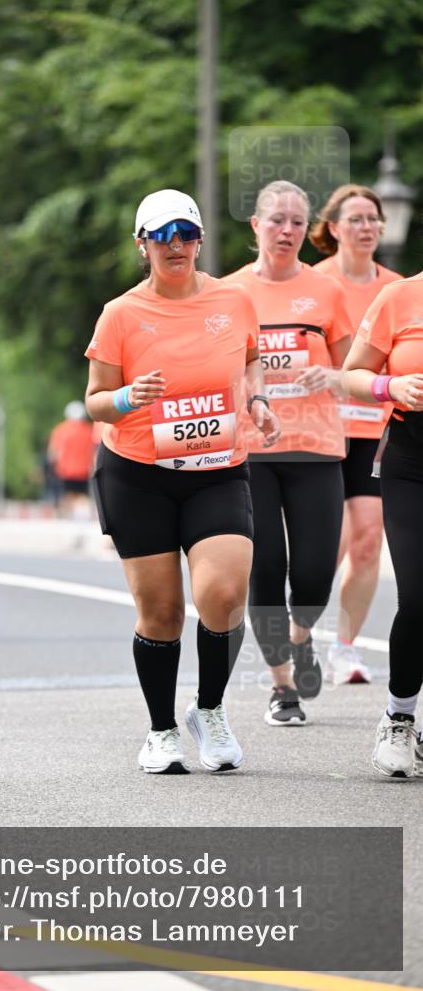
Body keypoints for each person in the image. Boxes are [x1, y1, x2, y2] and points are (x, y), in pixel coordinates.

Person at [85, 188, 280, 774]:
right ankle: (161, 731)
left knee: (223, 595)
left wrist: (259, 398)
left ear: (199, 240)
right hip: (137, 474)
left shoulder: (234, 299)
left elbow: (249, 357)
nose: (176, 245)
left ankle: (210, 711)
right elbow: (94, 402)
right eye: (162, 235)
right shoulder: (120, 313)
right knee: (163, 611)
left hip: (217, 470)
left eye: (186, 234)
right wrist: (126, 397)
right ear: (142, 245)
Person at [223, 181, 353, 727]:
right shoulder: (227, 293)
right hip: (252, 450)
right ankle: (283, 688)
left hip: (317, 447)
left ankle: (302, 640)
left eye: (297, 222)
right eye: (276, 219)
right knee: (267, 569)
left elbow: (357, 371)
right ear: (255, 226)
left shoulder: (326, 292)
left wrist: (338, 376)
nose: (287, 230)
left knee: (317, 571)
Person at [310, 184, 402, 685]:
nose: (366, 226)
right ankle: (297, 637)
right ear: (333, 228)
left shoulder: (397, 288)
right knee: (329, 545)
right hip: (317, 431)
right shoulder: (312, 282)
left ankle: (344, 648)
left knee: (368, 539)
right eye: (356, 218)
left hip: (373, 429)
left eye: (374, 218)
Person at [342, 271, 423, 778]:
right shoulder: (400, 296)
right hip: (413, 459)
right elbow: (351, 374)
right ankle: (398, 716)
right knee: (418, 596)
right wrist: (391, 384)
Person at [46, 401, 96, 517]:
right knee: (82, 497)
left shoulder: (60, 430)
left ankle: (67, 521)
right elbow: (93, 452)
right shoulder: (89, 431)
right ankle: (82, 519)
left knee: (66, 497)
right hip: (83, 471)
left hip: (64, 471)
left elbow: (53, 453)